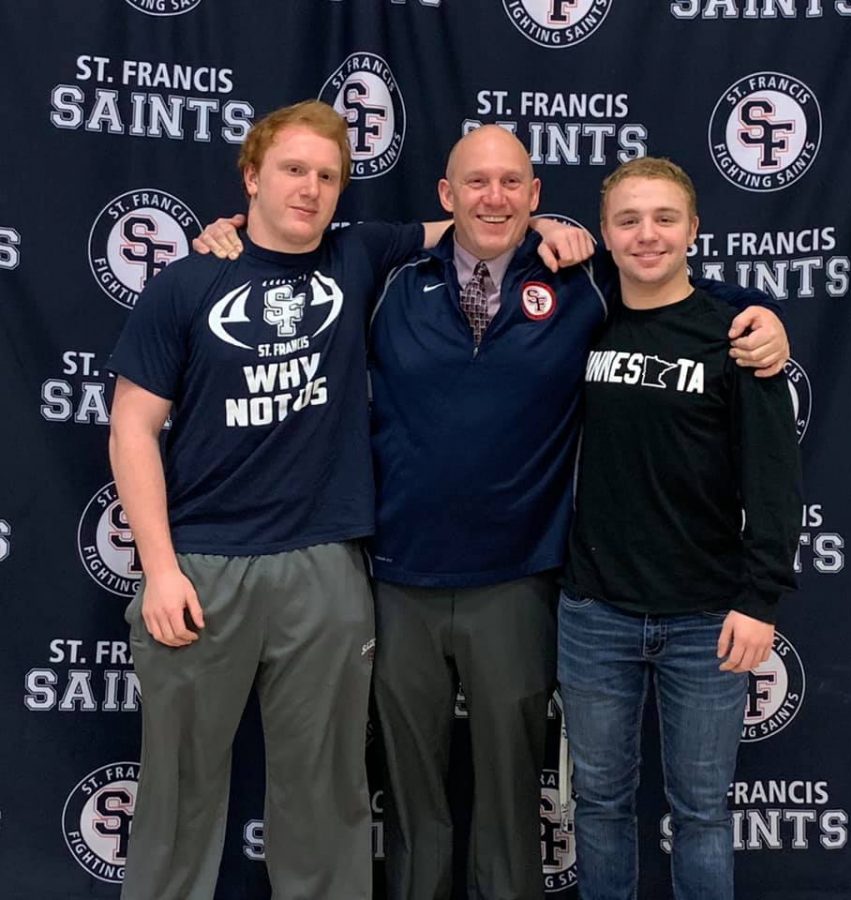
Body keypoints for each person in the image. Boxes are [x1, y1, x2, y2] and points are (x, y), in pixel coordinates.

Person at [195, 127, 789, 900]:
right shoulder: (386, 272)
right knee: (413, 796)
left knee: (514, 797)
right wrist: (228, 232)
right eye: (476, 182)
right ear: (446, 196)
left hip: (520, 580)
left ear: (536, 197)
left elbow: (673, 289)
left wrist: (761, 311)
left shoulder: (581, 280)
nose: (494, 197)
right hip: (399, 577)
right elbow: (288, 250)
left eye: (512, 183)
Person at [107, 100, 437, 900]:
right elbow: (131, 430)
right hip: (202, 565)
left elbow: (466, 225)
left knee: (325, 794)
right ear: (251, 177)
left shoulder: (358, 256)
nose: (311, 188)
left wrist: (554, 231)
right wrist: (159, 570)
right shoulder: (188, 281)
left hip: (323, 564)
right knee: (177, 796)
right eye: (293, 169)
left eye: (328, 176)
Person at [557, 157, 801, 900]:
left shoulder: (735, 336)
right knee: (597, 806)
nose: (646, 235)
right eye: (627, 220)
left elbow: (773, 480)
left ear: (693, 229)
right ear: (604, 234)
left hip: (705, 614)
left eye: (664, 219)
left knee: (699, 813)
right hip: (595, 611)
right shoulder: (578, 322)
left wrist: (760, 601)